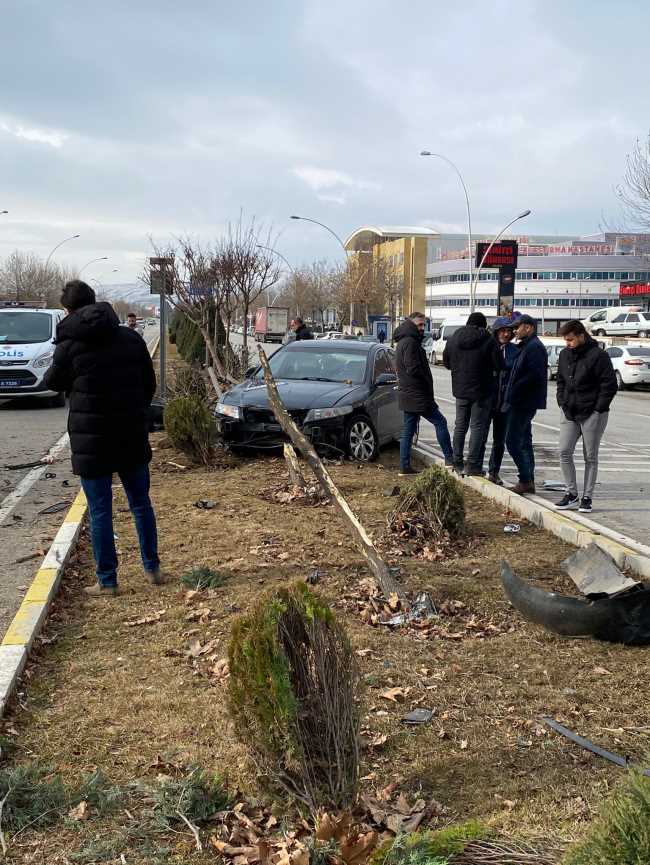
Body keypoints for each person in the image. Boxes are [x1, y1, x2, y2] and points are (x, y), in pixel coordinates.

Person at [44, 280, 162, 597]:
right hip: (130, 434)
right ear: (96, 301)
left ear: (67, 310)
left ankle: (107, 581)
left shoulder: (69, 345)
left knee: (100, 511)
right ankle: (152, 568)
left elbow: (53, 382)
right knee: (140, 503)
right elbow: (149, 385)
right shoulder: (131, 338)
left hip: (91, 441)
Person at [555, 319, 617, 513]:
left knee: (590, 456)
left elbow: (609, 386)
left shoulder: (598, 355)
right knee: (564, 451)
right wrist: (562, 401)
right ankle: (571, 494)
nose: (567, 343)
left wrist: (598, 410)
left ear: (581, 336)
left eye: (571, 340)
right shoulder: (565, 354)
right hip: (570, 411)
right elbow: (561, 381)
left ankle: (587, 497)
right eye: (565, 340)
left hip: (592, 413)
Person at [442, 311, 503, 476]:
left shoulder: (454, 337)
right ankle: (473, 465)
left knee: (460, 425)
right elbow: (499, 364)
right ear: (483, 325)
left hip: (460, 390)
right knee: (477, 427)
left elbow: (446, 361)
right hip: (482, 391)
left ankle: (456, 460)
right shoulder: (488, 339)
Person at [394, 311, 453, 475]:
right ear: (411, 324)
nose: (422, 328)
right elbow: (412, 368)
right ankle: (450, 459)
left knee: (407, 431)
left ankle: (404, 466)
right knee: (440, 422)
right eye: (419, 325)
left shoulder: (403, 341)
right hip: (417, 394)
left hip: (408, 394)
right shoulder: (411, 342)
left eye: (423, 325)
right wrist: (425, 380)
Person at [503, 314, 548, 495]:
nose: (514, 331)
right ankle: (528, 479)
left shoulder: (534, 347)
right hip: (522, 399)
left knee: (512, 441)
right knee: (525, 441)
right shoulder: (526, 346)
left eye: (517, 327)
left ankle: (525, 479)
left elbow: (534, 375)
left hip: (524, 401)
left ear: (528, 327)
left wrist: (515, 389)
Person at [486, 317, 518, 485]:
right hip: (487, 399)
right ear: (496, 331)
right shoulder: (488, 347)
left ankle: (494, 471)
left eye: (509, 331)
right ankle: (475, 465)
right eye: (503, 331)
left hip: (505, 402)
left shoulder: (515, 351)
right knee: (481, 435)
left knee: (500, 440)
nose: (506, 334)